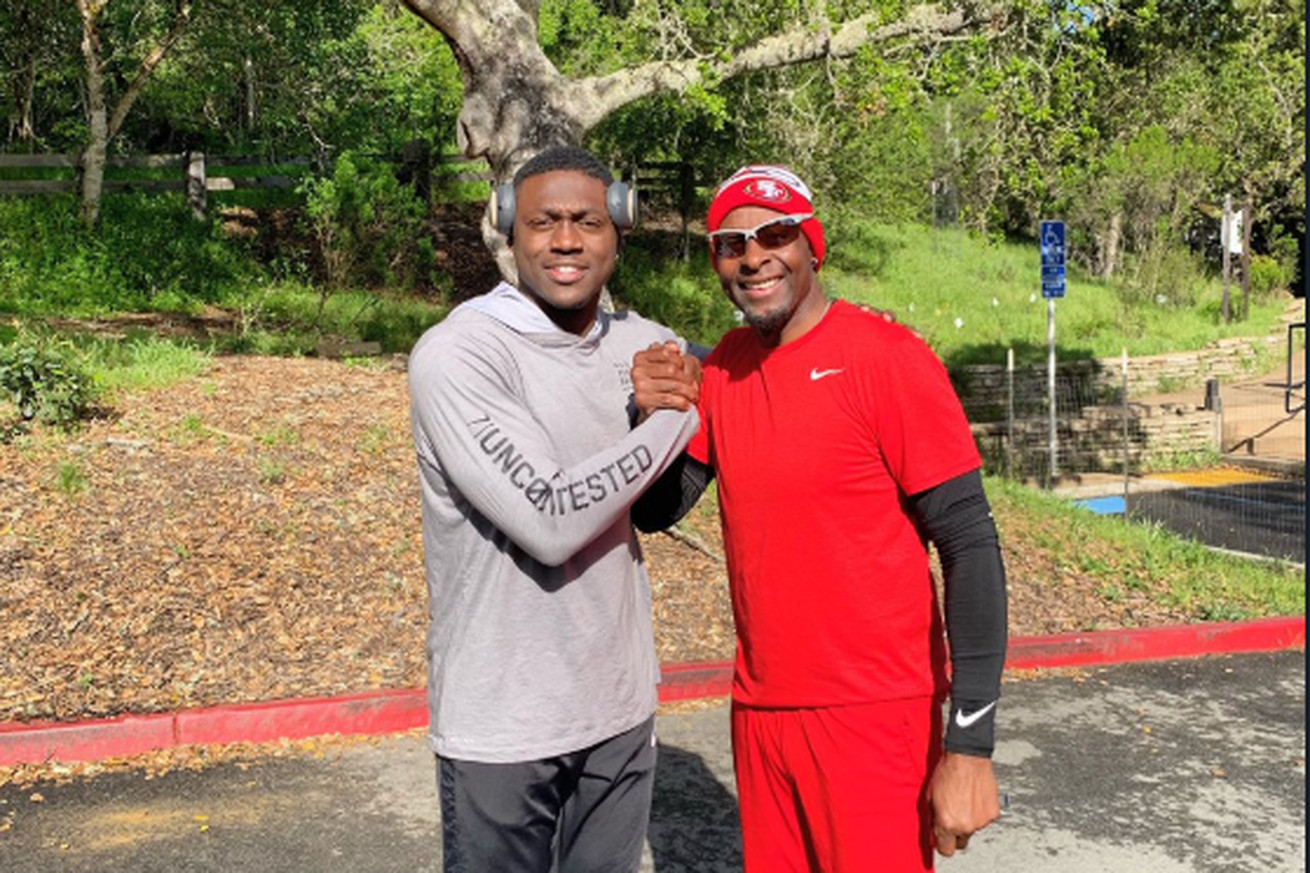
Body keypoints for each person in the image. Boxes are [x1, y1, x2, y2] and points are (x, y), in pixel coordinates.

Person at [630, 165, 1009, 872]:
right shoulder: (726, 369)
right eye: (731, 244)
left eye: (775, 234)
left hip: (875, 715)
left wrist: (970, 748)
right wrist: (649, 414)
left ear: (812, 245)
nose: (753, 258)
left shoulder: (887, 358)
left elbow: (970, 545)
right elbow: (658, 510)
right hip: (762, 712)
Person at [407, 145, 700, 872]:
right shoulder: (461, 353)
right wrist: (676, 415)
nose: (565, 241)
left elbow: (747, 371)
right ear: (509, 227)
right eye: (543, 222)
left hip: (619, 710)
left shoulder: (642, 342)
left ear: (620, 228)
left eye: (587, 222)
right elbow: (550, 518)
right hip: (504, 722)